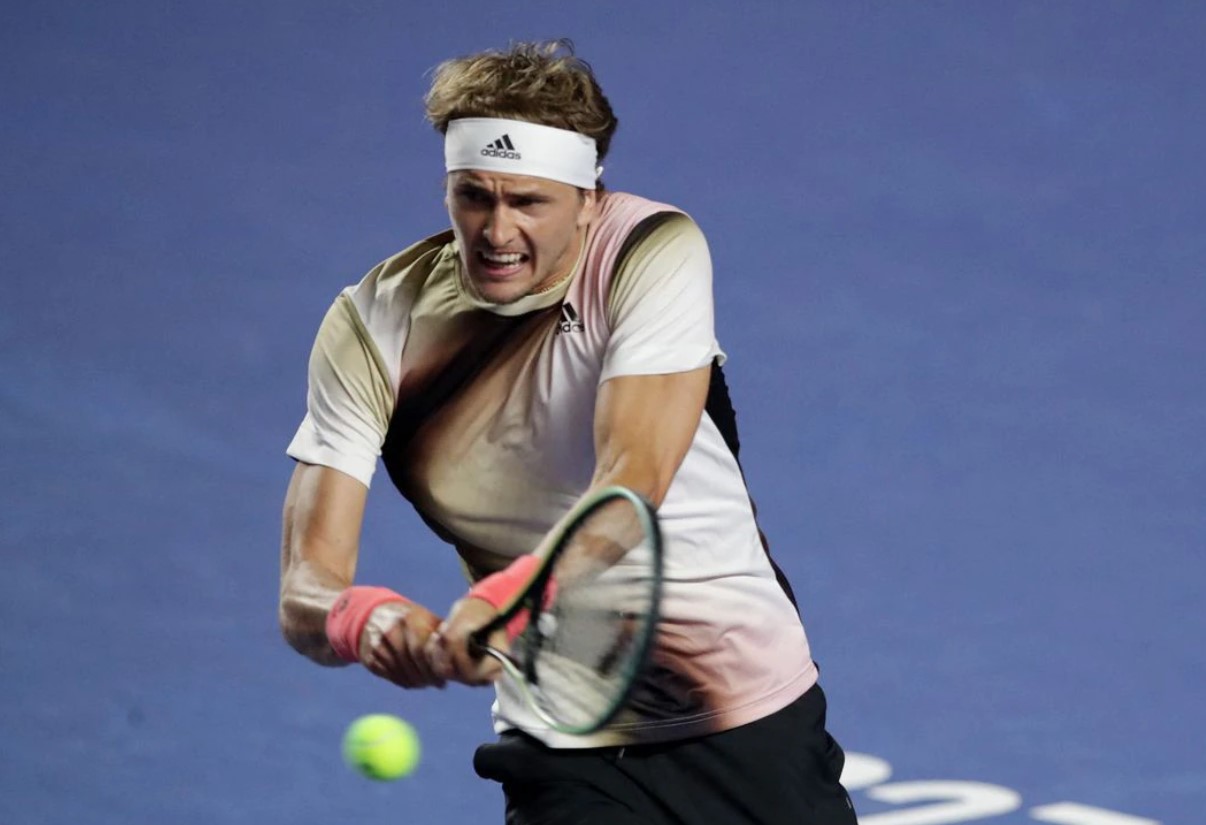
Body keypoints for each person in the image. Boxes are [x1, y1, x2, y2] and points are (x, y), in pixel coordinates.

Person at [278, 40, 856, 824]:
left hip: (742, 707)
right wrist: (368, 619)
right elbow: (305, 590)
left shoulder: (647, 249)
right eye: (473, 196)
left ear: (589, 198)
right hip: (561, 740)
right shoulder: (373, 323)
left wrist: (512, 597)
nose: (495, 229)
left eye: (528, 201)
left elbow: (632, 484)